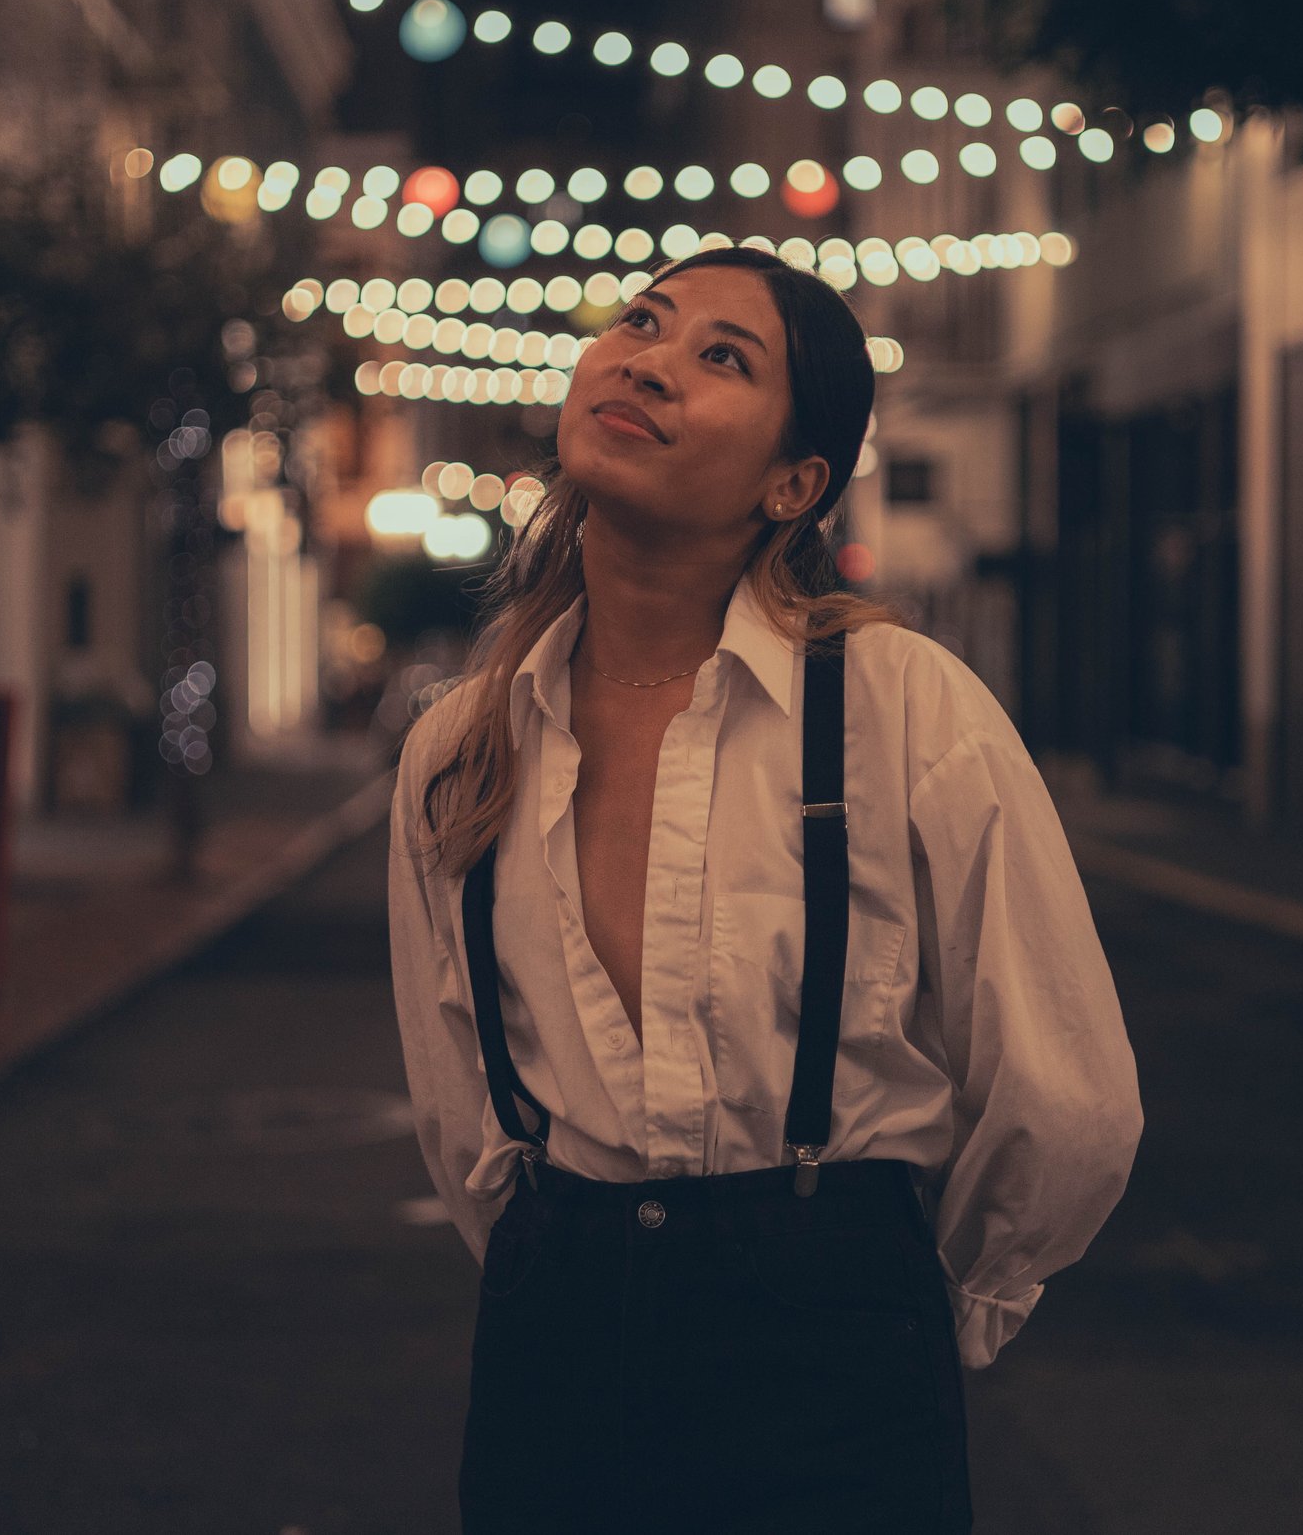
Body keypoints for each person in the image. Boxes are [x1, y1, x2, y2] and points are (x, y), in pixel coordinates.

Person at [386, 244, 1142, 1533]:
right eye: (644, 322)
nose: (649, 361)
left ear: (795, 482)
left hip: (834, 1362)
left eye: (721, 358)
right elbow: (462, 1114)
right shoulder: (462, 745)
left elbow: (1070, 1104)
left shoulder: (900, 708)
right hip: (554, 1361)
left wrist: (900, 1304)